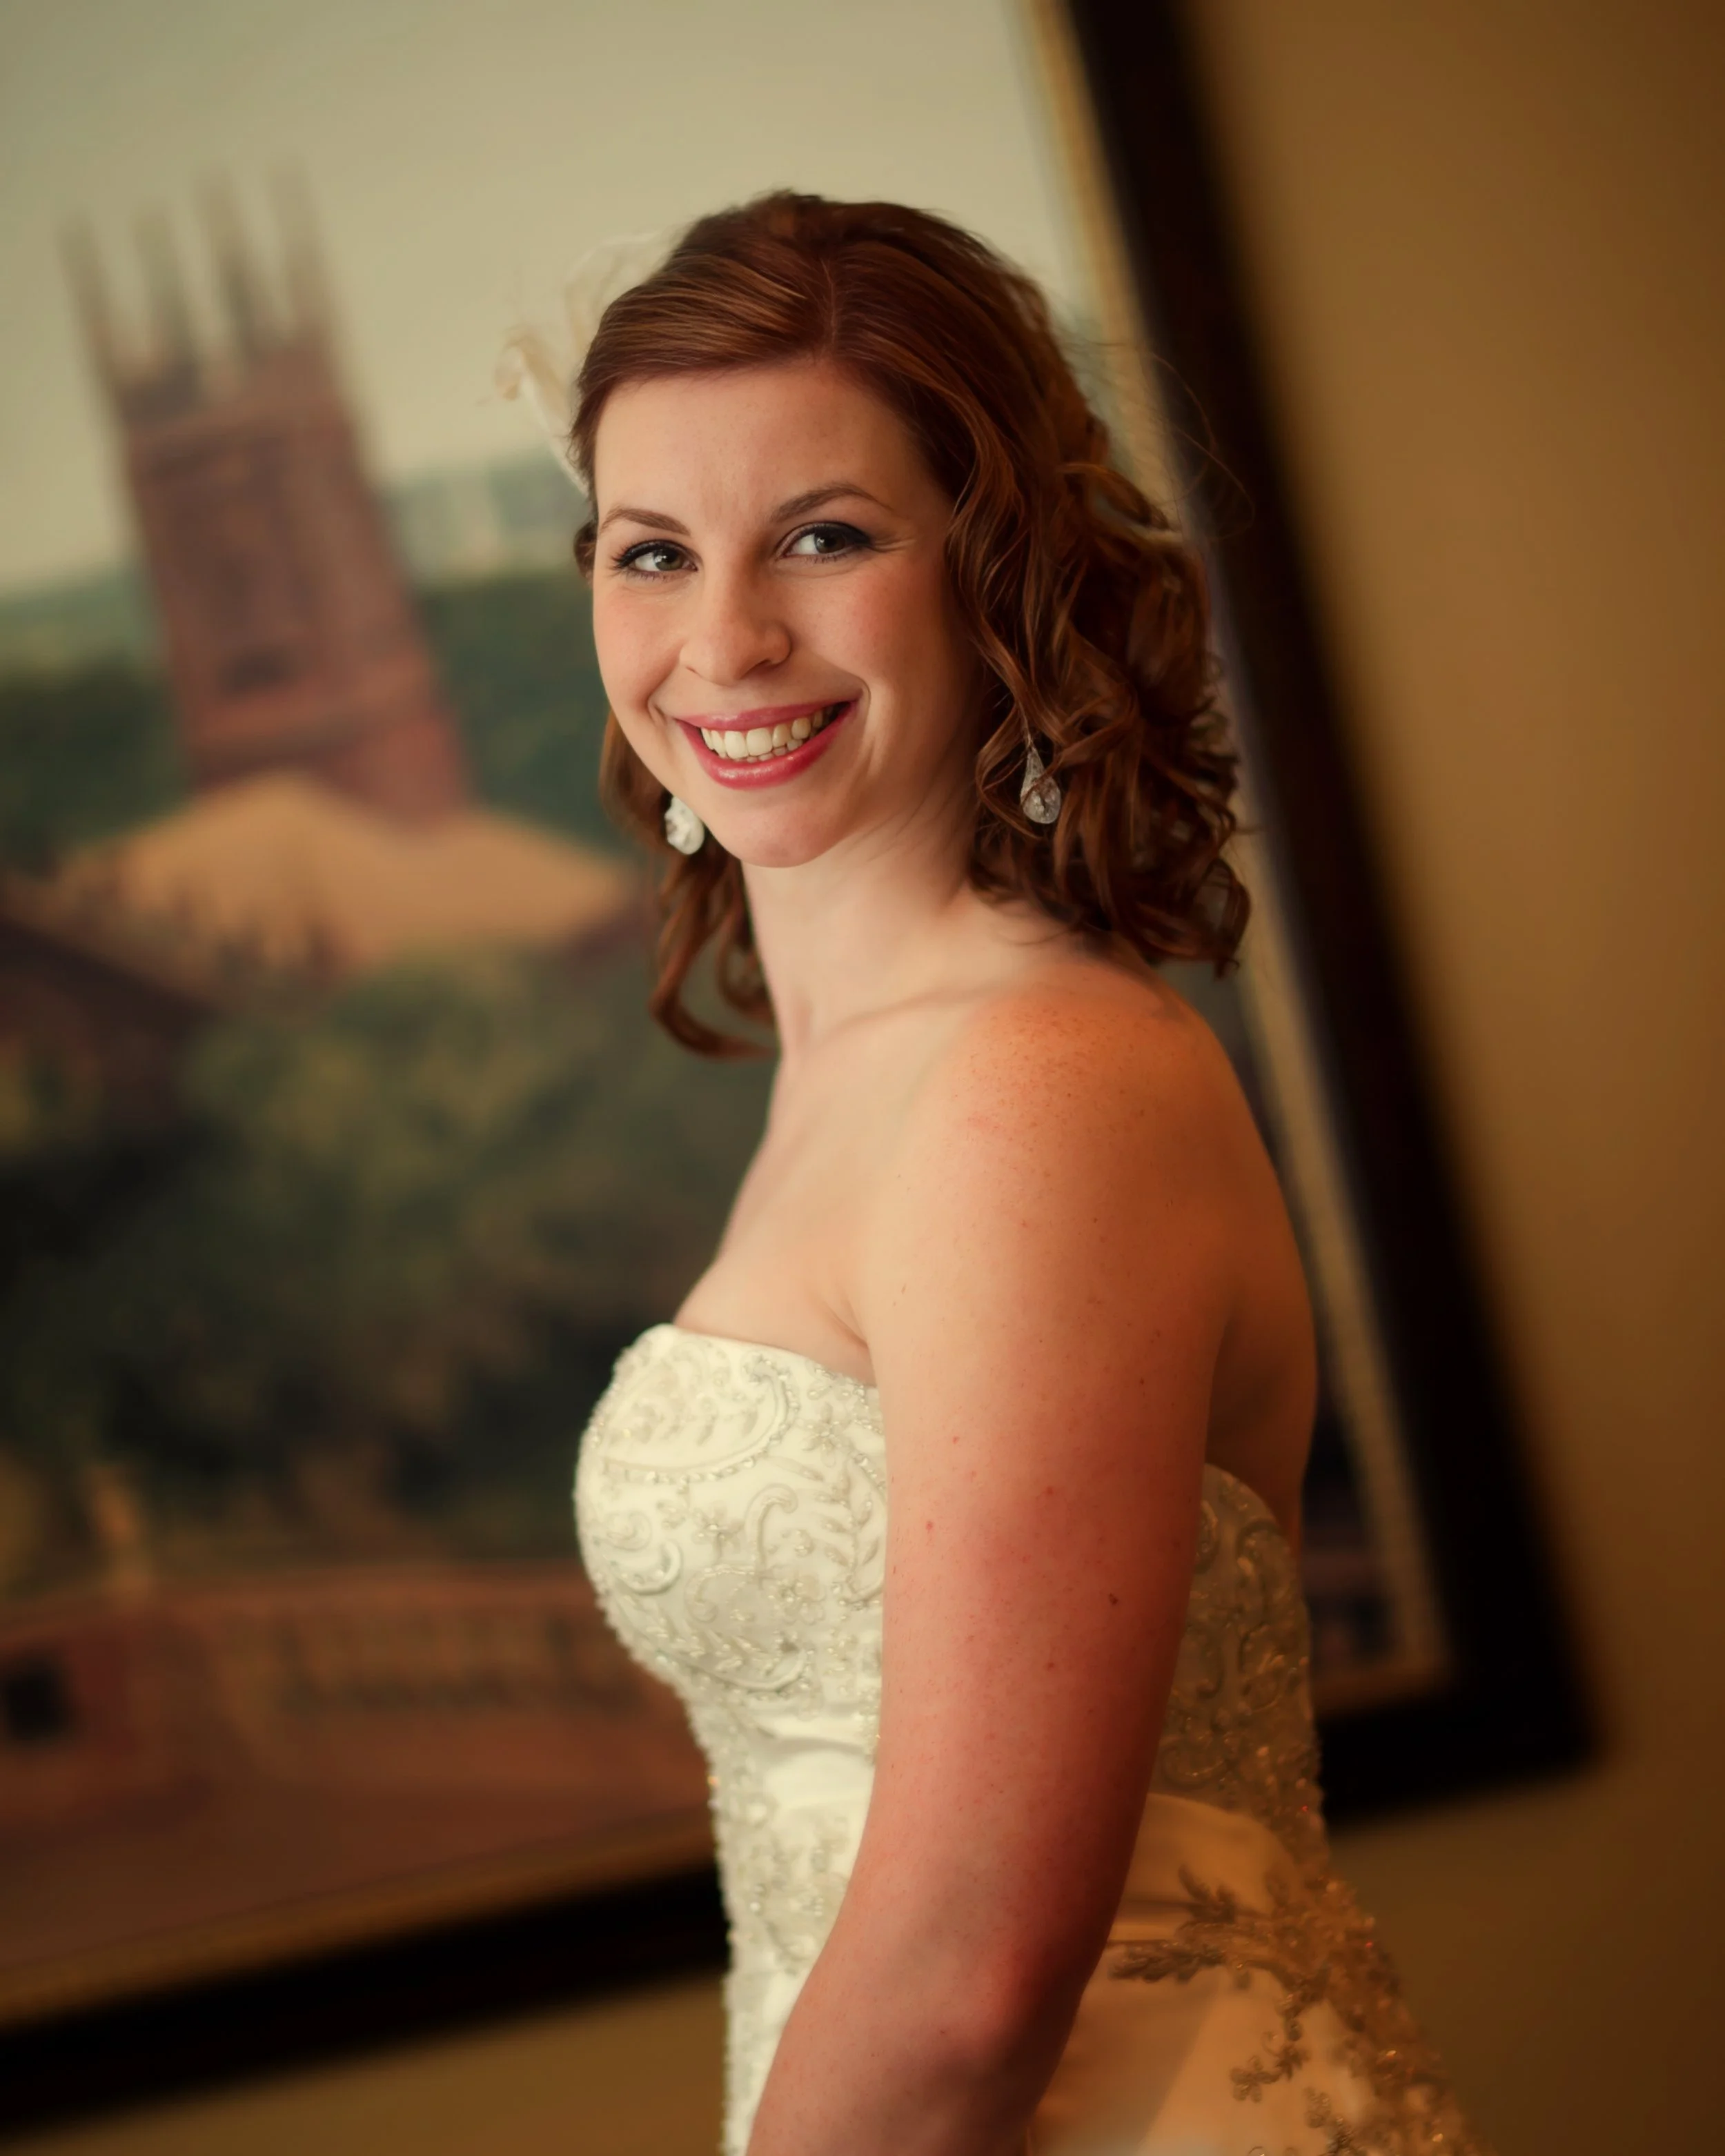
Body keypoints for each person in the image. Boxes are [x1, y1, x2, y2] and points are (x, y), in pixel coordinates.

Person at [565, 192, 1485, 2156]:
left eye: (823, 535)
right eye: (653, 551)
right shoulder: (853, 1078)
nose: (720, 636)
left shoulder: (1037, 1092)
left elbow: (971, 1965)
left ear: (998, 576)